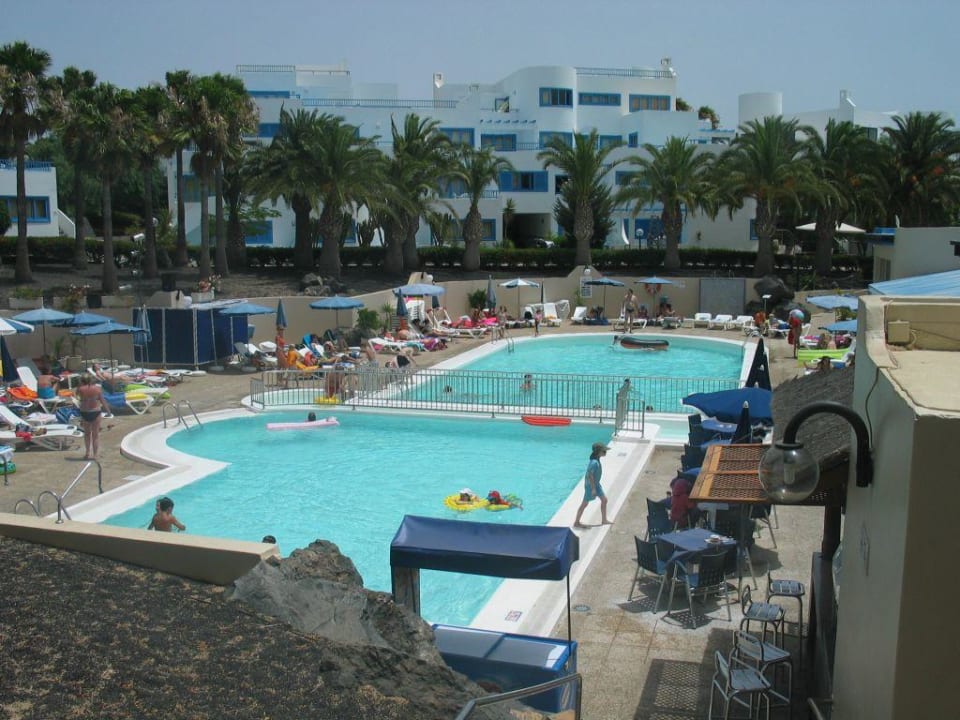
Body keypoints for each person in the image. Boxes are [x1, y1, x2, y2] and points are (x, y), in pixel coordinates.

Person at [574, 442, 611, 528]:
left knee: (604, 500)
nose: (605, 452)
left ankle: (604, 520)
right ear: (598, 452)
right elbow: (590, 475)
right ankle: (576, 522)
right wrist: (593, 488)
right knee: (585, 504)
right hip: (591, 486)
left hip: (596, 484)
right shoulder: (594, 462)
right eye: (604, 451)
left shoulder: (597, 460)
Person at [76, 372, 110, 460]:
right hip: (95, 411)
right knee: (95, 435)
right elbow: (102, 400)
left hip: (85, 412)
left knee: (87, 434)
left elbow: (78, 396)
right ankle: (95, 455)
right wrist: (108, 411)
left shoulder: (80, 389)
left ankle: (87, 453)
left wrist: (80, 385)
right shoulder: (97, 389)